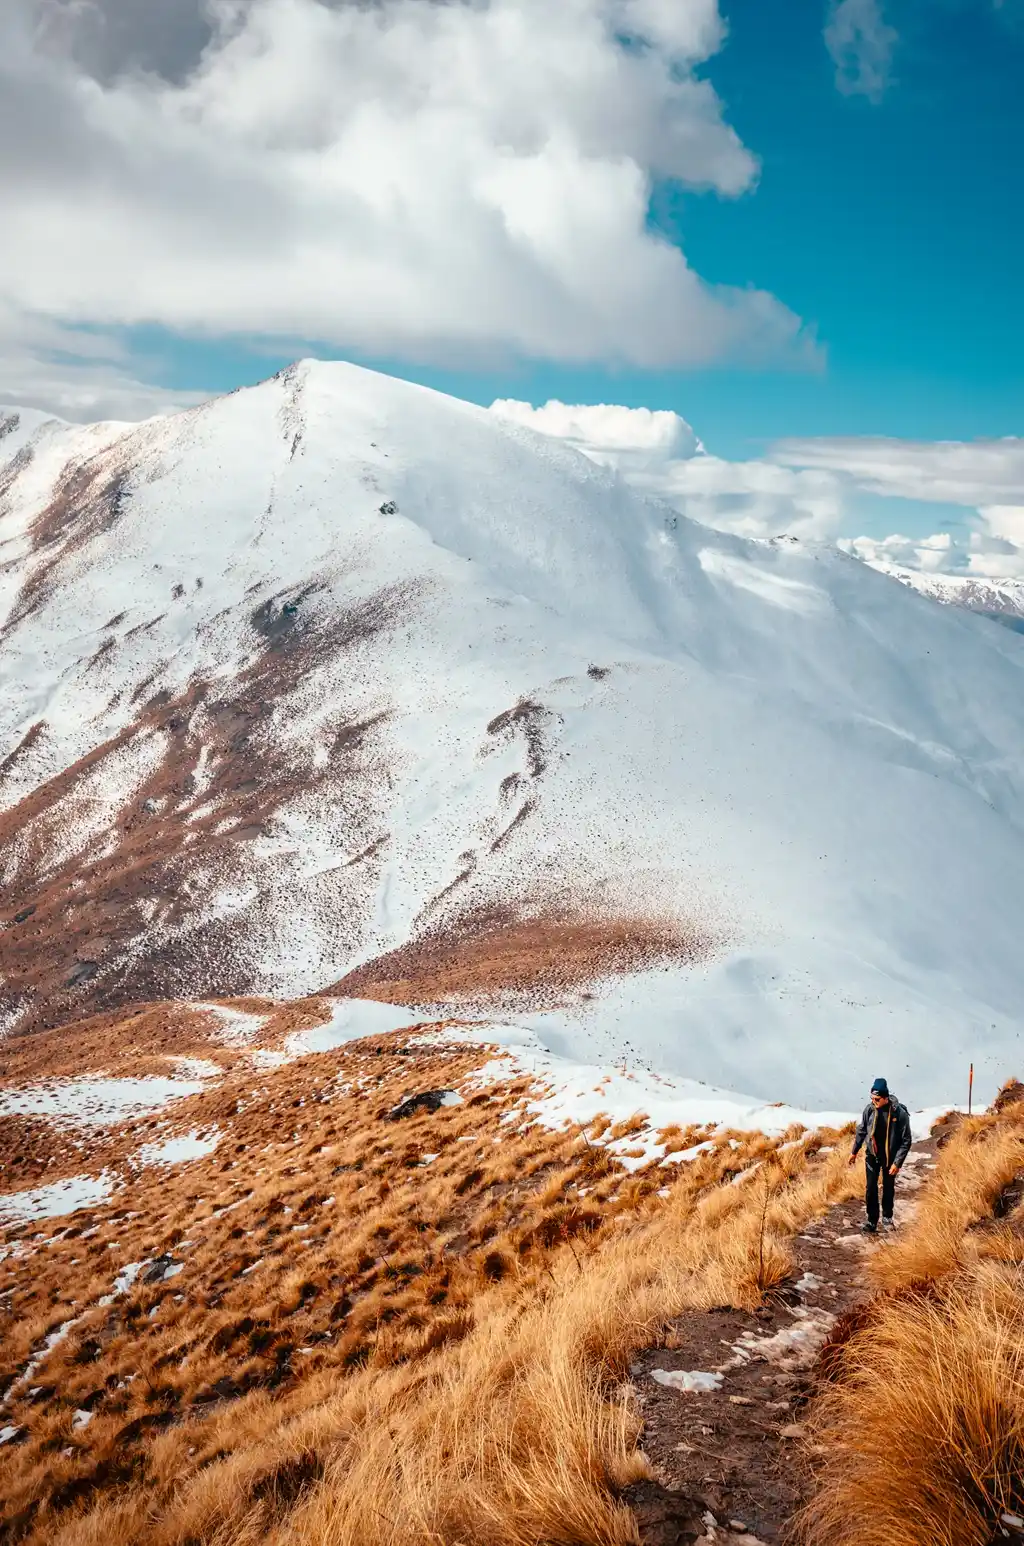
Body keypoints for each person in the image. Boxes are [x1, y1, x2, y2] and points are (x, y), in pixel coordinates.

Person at [848, 1077, 912, 1233]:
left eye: (877, 1099)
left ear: (885, 1098)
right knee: (870, 1188)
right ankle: (871, 1221)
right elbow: (862, 1130)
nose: (873, 1101)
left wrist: (898, 1162)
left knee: (888, 1187)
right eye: (871, 1098)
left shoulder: (899, 1113)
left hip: (890, 1157)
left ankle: (887, 1217)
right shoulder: (869, 1110)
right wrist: (854, 1152)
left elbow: (906, 1140)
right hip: (872, 1154)